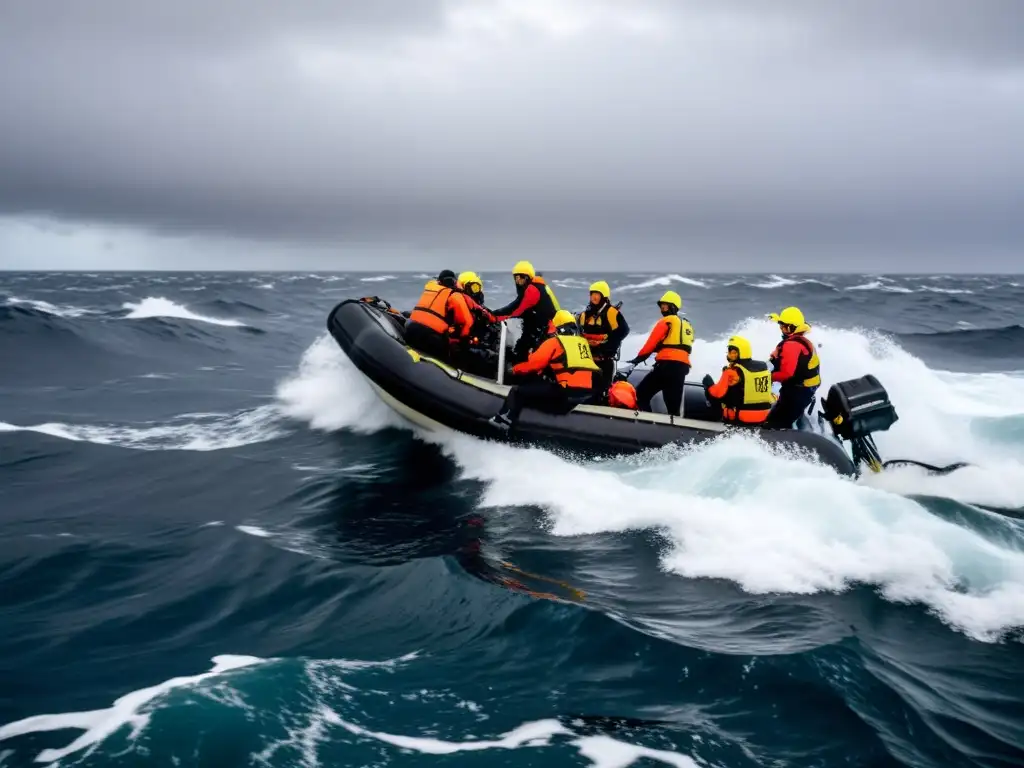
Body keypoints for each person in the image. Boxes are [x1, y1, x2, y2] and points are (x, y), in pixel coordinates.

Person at [488, 310, 599, 430]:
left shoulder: (555, 342)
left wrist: (513, 369)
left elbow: (533, 365)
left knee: (516, 392)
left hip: (564, 395)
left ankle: (502, 422)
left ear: (558, 327)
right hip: (583, 395)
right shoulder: (583, 343)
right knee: (542, 385)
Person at [627, 291, 693, 416]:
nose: (662, 308)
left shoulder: (666, 321)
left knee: (641, 395)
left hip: (666, 366)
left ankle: (647, 424)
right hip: (682, 367)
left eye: (665, 305)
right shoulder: (687, 325)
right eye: (661, 306)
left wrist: (636, 360)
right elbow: (680, 345)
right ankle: (675, 432)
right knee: (673, 408)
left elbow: (651, 344)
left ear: (673, 306)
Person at [492, 261, 561, 363]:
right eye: (516, 277)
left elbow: (517, 310)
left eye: (520, 277)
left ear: (527, 277)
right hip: (544, 328)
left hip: (544, 330)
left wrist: (494, 317)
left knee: (521, 353)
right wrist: (495, 313)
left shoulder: (532, 290)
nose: (517, 280)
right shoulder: (540, 286)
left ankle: (517, 374)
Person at [764, 306, 821, 428]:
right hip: (803, 389)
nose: (781, 329)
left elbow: (787, 374)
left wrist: (768, 377)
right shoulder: (801, 341)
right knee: (775, 414)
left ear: (791, 328)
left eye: (783, 326)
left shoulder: (792, 345)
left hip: (799, 392)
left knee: (774, 423)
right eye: (781, 326)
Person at [701, 336, 773, 425]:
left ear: (740, 353)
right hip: (764, 415)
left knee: (711, 393)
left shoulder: (731, 371)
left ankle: (716, 422)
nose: (730, 355)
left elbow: (717, 393)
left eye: (734, 352)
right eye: (730, 352)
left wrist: (709, 385)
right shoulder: (763, 368)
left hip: (740, 416)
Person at [405, 270, 474, 361]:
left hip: (410, 328)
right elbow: (467, 321)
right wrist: (464, 341)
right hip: (431, 337)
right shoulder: (454, 295)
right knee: (451, 355)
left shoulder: (429, 289)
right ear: (454, 282)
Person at [576, 281, 629, 396]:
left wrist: (605, 346)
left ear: (603, 296)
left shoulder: (611, 313)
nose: (593, 297)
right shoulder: (584, 315)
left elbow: (624, 331)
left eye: (597, 294)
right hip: (588, 361)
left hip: (605, 361)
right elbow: (578, 334)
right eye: (592, 294)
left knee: (602, 393)